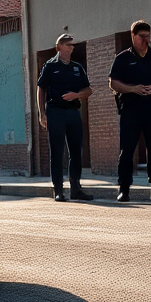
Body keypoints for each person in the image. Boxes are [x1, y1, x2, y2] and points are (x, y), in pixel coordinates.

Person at [109, 20, 151, 202]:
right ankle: (124, 189)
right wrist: (132, 89)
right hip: (131, 109)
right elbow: (113, 83)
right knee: (127, 149)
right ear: (133, 36)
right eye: (141, 37)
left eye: (148, 36)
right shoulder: (123, 58)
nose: (145, 40)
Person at [37, 33, 94, 201]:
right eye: (68, 44)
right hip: (55, 112)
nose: (72, 47)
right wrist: (42, 113)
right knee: (57, 151)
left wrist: (76, 95)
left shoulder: (77, 67)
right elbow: (41, 89)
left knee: (76, 151)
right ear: (59, 47)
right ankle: (58, 190)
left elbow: (88, 90)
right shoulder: (50, 66)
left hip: (73, 112)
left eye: (72, 45)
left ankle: (76, 188)